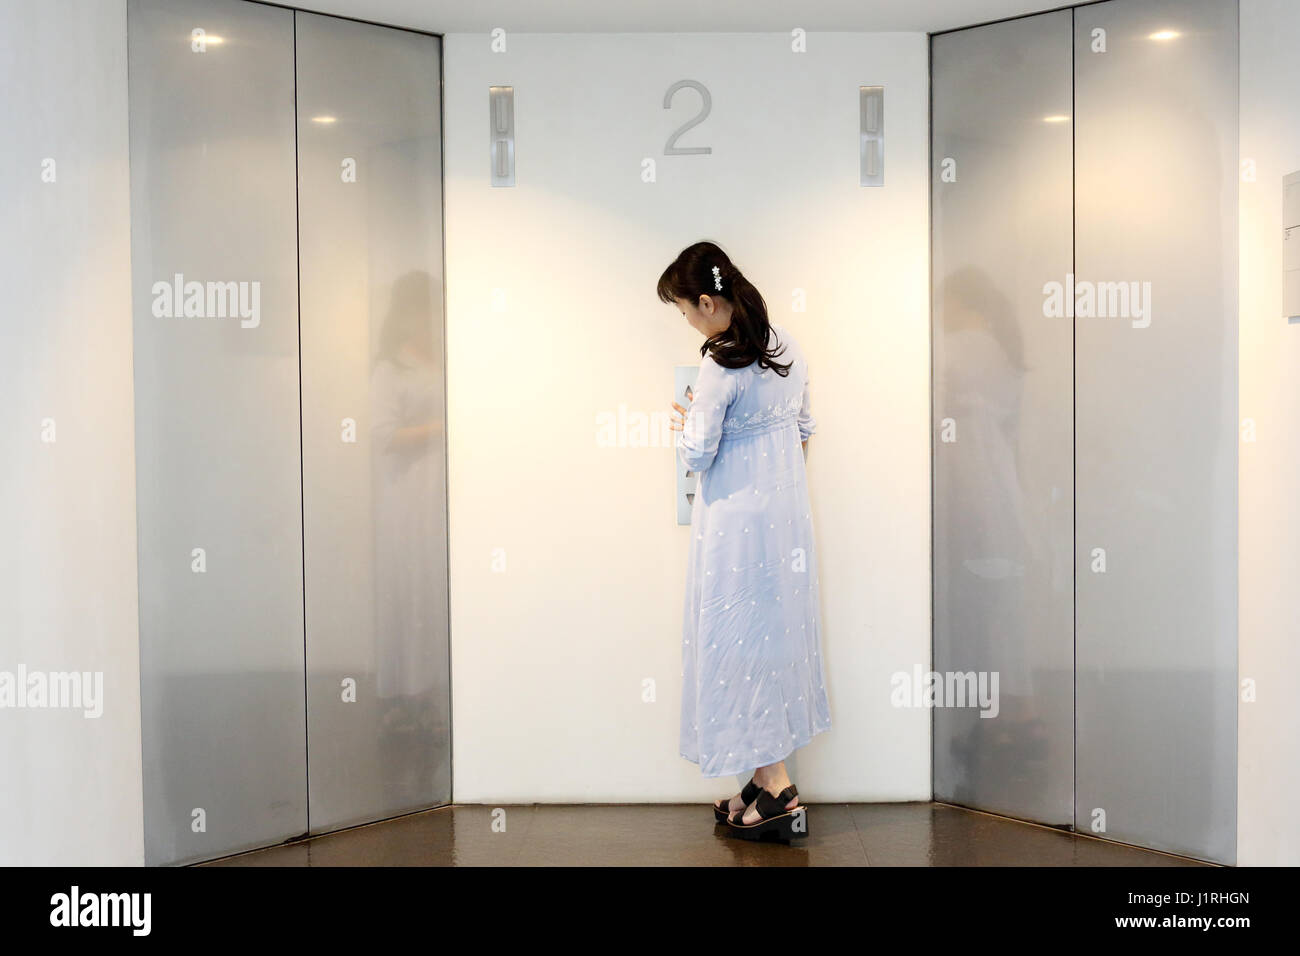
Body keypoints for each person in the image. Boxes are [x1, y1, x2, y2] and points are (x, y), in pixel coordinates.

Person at [659, 241, 830, 842]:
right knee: (773, 638)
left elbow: (698, 454)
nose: (686, 323)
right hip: (785, 524)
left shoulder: (718, 367)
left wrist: (684, 428)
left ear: (707, 303)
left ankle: (779, 786)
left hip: (734, 531)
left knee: (738, 643)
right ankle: (763, 778)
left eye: (685, 311)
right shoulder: (786, 345)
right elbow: (805, 429)